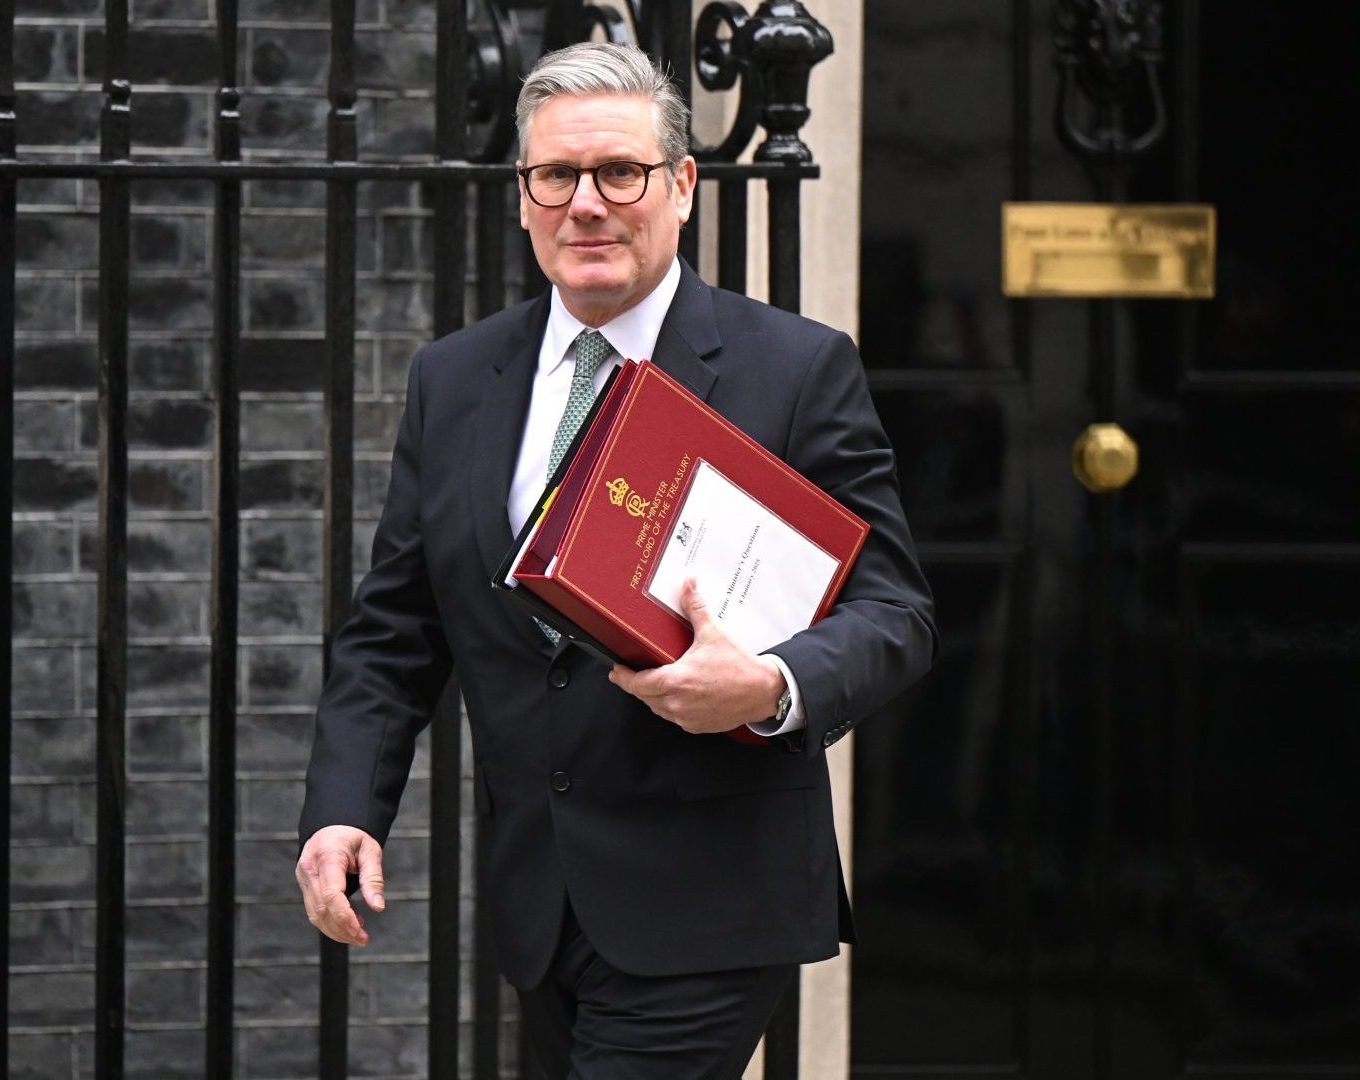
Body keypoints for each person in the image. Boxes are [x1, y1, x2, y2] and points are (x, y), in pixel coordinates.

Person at [295, 41, 936, 1080]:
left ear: (681, 185)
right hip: (541, 904)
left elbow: (895, 612)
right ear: (523, 194)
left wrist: (769, 687)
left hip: (715, 899)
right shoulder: (455, 379)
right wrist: (341, 808)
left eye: (620, 173)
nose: (585, 203)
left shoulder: (793, 369)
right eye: (557, 175)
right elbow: (395, 630)